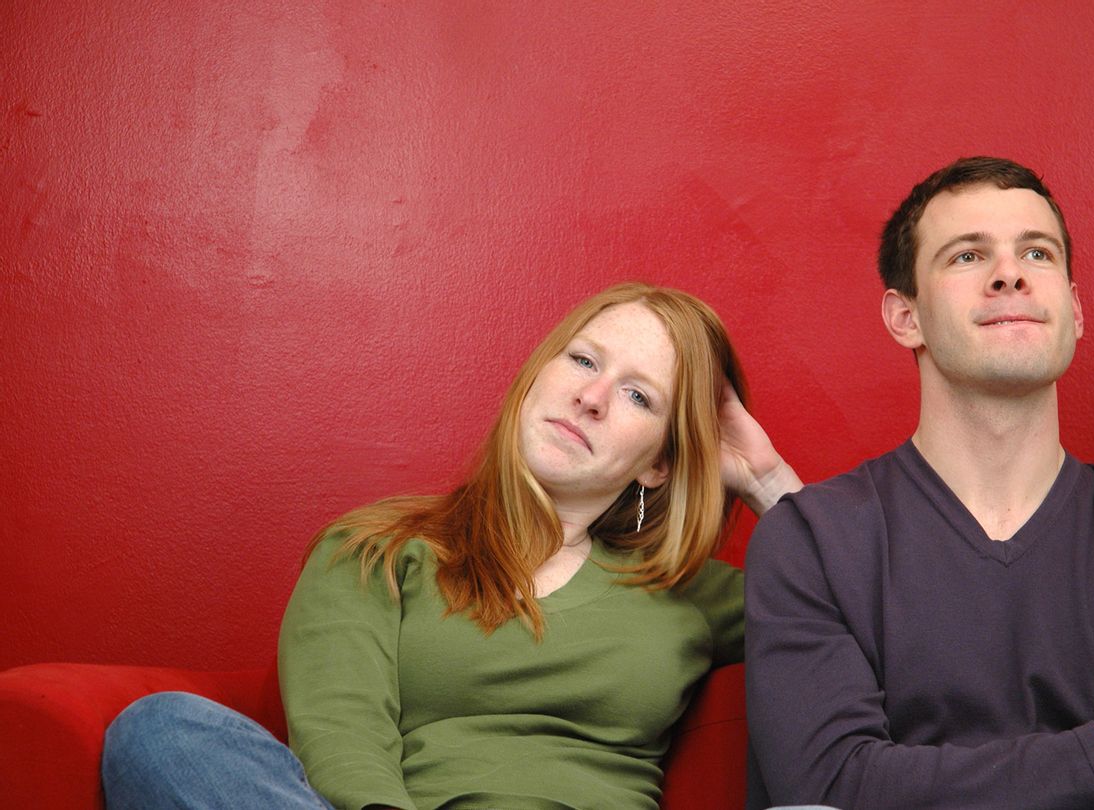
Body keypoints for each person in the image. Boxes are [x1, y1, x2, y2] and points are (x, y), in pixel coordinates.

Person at [101, 282, 804, 809]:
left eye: (640, 397)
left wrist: (765, 478)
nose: (592, 396)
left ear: (661, 463)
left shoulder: (684, 593)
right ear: (539, 377)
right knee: (161, 732)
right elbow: (345, 737)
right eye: (583, 360)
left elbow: (878, 626)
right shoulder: (381, 547)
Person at [744, 157, 1094, 810]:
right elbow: (831, 788)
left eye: (1037, 253)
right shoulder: (811, 541)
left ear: (1073, 311)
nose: (1009, 274)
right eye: (966, 256)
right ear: (906, 317)